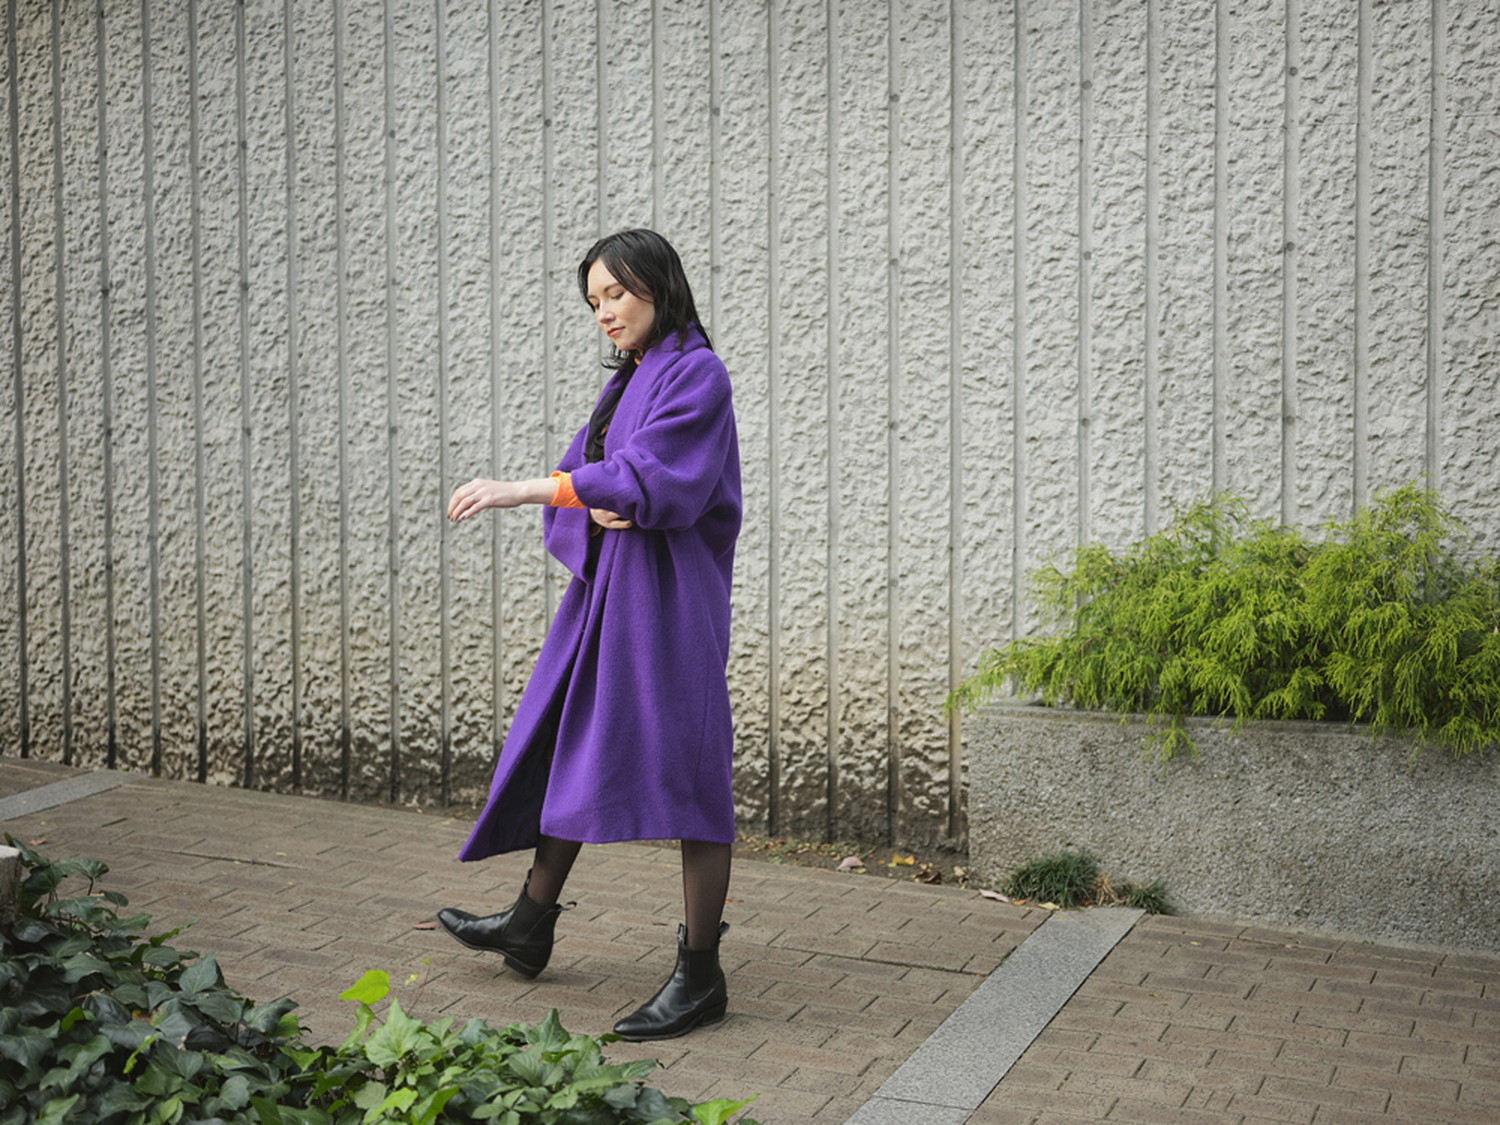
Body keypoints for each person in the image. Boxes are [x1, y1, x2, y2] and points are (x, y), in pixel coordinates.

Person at [438, 229, 742, 1042]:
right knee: (575, 738)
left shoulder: (697, 373)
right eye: (594, 300)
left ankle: (701, 974)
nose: (604, 312)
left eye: (616, 293)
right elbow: (594, 476)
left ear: (658, 287)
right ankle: (529, 923)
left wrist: (531, 489)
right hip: (613, 593)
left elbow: (650, 477)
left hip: (669, 603)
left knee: (692, 772)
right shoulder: (630, 378)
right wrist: (595, 496)